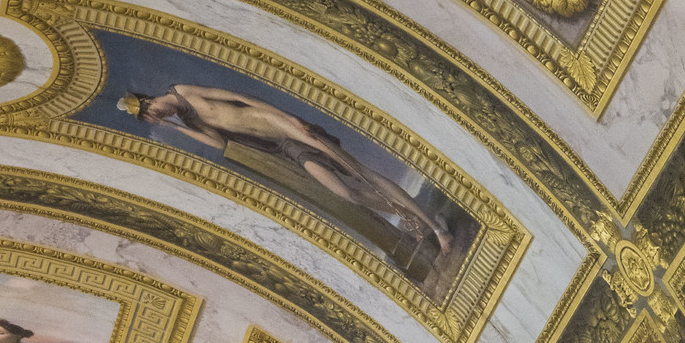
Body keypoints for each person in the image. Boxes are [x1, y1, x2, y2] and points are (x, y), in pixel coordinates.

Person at [116, 82, 454, 272]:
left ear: (148, 102)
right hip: (281, 148)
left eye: (155, 115)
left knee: (360, 173)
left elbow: (245, 98)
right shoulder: (188, 120)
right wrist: (174, 127)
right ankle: (410, 216)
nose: (159, 118)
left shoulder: (184, 91)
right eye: (155, 121)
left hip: (284, 128)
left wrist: (291, 121)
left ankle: (436, 228)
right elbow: (219, 143)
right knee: (345, 193)